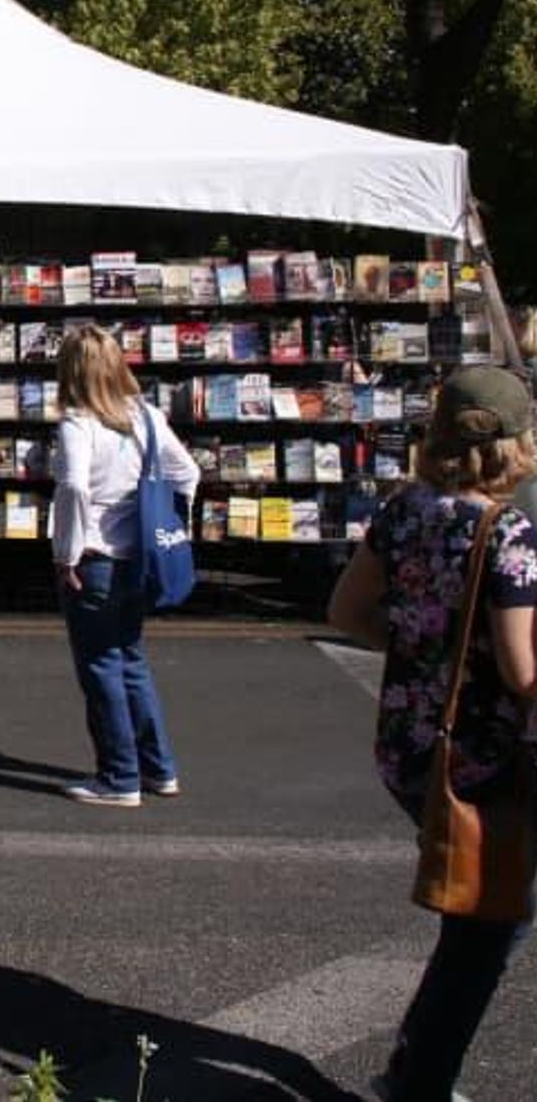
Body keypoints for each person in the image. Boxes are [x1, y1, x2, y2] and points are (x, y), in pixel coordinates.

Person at [328, 365, 537, 1102]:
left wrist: (423, 644)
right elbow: (522, 669)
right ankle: (419, 1080)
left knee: (478, 911)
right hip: (485, 757)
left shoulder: (405, 510)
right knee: (490, 924)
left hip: (412, 744)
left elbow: (349, 612)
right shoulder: (507, 534)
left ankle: (416, 1065)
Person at [50, 324, 199, 808]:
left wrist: (66, 553)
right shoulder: (147, 415)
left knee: (101, 666)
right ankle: (160, 769)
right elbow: (187, 473)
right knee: (131, 661)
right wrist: (172, 526)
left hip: (94, 559)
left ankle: (119, 778)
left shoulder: (77, 422)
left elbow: (73, 485)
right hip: (140, 558)